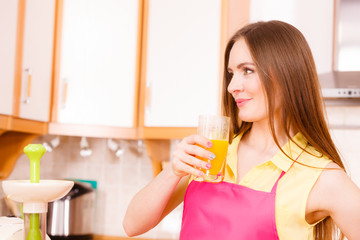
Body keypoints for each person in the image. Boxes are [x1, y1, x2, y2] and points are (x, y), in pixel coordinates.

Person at [123, 20, 360, 240]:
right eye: (231, 73)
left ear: (287, 74)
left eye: (247, 70)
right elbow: (132, 225)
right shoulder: (212, 155)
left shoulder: (319, 176)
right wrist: (173, 172)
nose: (232, 87)